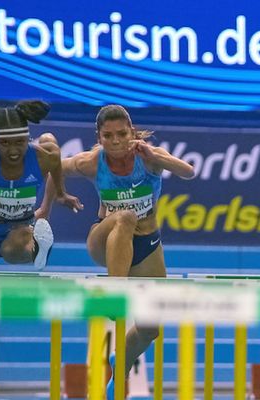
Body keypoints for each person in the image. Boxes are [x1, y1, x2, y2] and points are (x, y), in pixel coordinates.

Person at [37, 104, 195, 396]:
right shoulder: (91, 162)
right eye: (108, 136)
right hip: (104, 238)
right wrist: (47, 207)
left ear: (132, 133)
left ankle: (119, 362)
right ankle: (114, 291)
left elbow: (188, 171)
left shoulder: (148, 158)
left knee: (150, 329)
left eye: (122, 134)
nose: (116, 142)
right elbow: (54, 165)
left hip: (145, 246)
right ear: (99, 137)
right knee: (125, 217)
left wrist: (157, 156)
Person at [0, 100, 81, 273]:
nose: (13, 150)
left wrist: (61, 193)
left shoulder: (43, 157)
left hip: (19, 231)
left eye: (20, 142)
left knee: (10, 250)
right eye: (5, 143)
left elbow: (55, 160)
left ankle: (37, 247)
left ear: (28, 138)